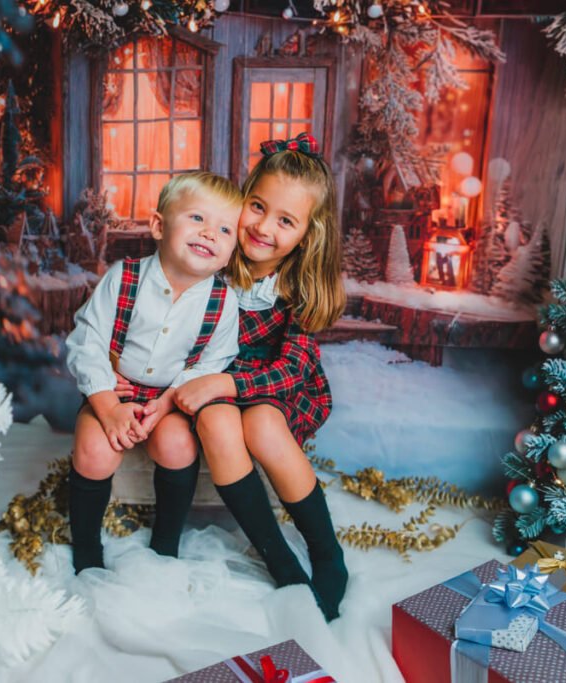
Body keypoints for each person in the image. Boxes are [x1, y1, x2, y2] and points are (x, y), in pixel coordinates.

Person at [172, 133, 348, 621]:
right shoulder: (214, 255)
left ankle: (326, 551)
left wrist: (228, 385)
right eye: (257, 206)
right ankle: (279, 558)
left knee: (263, 426)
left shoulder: (296, 286)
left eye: (286, 220)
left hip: (275, 387)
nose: (263, 227)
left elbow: (292, 369)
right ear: (242, 198)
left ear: (307, 234)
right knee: (217, 424)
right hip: (210, 382)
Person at [64, 171, 241, 573]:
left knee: (179, 447)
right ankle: (87, 549)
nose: (210, 233)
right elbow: (87, 341)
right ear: (159, 226)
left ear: (232, 250)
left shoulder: (223, 301)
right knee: (94, 451)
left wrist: (168, 401)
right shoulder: (124, 278)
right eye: (197, 218)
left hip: (171, 398)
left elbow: (211, 363)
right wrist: (108, 406)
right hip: (113, 389)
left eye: (225, 228)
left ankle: (166, 542)